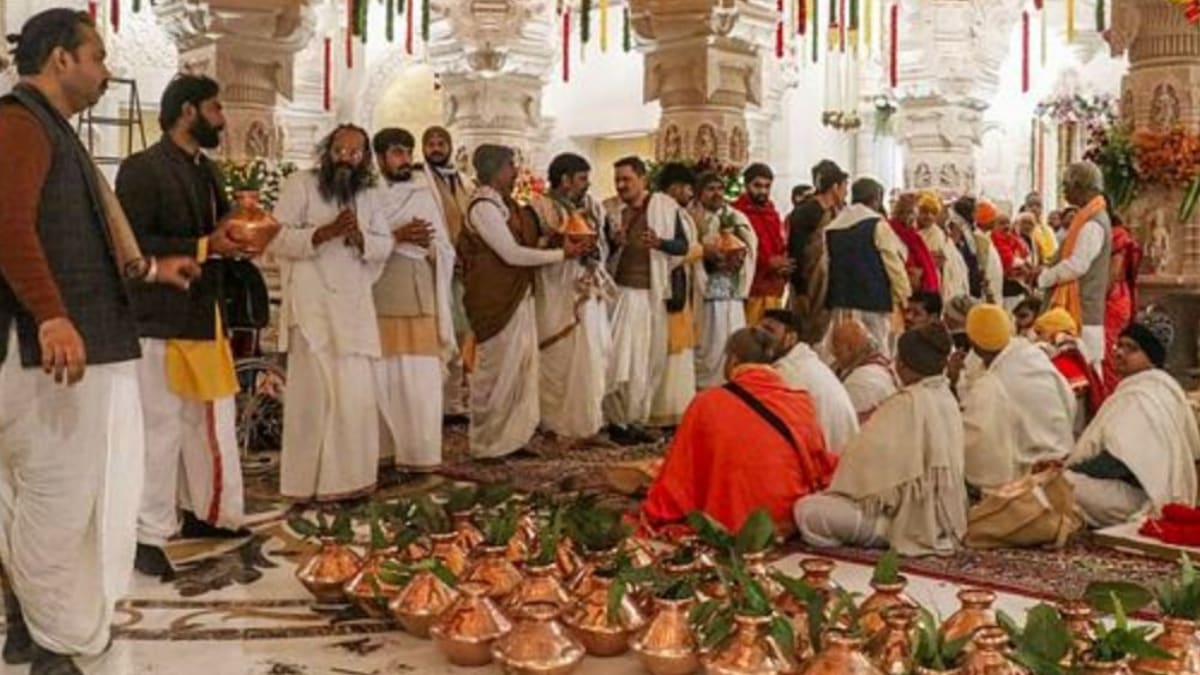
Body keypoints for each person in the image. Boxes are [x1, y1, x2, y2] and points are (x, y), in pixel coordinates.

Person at [0, 9, 200, 671]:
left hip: (62, 344)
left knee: (48, 498)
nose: (106, 71)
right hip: (45, 350)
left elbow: (79, 230)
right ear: (61, 59)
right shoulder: (20, 125)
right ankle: (55, 644)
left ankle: (32, 624)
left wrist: (149, 268)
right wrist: (53, 315)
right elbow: (8, 226)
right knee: (59, 500)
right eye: (97, 56)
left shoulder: (50, 128)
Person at [116, 74, 249, 581]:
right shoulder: (141, 169)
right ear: (189, 111)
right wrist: (204, 246)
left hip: (203, 313)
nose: (222, 118)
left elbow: (215, 235)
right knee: (159, 429)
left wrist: (237, 237)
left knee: (203, 421)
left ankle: (204, 511)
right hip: (158, 317)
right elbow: (130, 244)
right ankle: (144, 535)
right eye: (216, 109)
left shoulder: (207, 170)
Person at [270, 124, 393, 501]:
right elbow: (274, 236)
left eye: (355, 153)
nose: (346, 158)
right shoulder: (301, 184)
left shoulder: (370, 194)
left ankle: (349, 482)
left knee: (354, 396)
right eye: (340, 150)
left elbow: (385, 242)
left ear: (365, 158)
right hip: (312, 309)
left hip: (353, 309)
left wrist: (360, 238)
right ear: (328, 150)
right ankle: (305, 485)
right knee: (313, 399)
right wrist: (323, 233)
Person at [793, 323, 968, 556]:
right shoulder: (947, 397)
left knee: (807, 510)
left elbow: (860, 471)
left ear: (902, 365)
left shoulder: (906, 403)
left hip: (902, 526)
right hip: (950, 520)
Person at [643, 328, 837, 535]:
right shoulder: (800, 400)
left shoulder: (707, 402)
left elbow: (680, 477)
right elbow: (818, 465)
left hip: (731, 520)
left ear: (733, 360)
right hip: (788, 517)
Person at [460, 145, 589, 458]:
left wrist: (559, 241)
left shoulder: (509, 205)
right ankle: (487, 444)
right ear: (494, 169)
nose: (515, 172)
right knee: (496, 370)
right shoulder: (483, 207)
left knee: (520, 367)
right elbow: (510, 253)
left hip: (518, 293)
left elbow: (527, 243)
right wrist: (562, 254)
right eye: (510, 167)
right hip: (494, 298)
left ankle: (513, 439)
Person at [369, 127, 455, 471]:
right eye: (396, 153)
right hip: (378, 293)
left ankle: (420, 455)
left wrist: (429, 245)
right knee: (382, 378)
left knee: (420, 381)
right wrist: (396, 236)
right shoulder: (366, 195)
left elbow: (444, 245)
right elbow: (358, 240)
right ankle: (383, 453)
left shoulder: (422, 194)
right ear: (379, 158)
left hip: (420, 294)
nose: (405, 159)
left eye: (407, 151)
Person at [1066, 315, 1200, 527]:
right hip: (1148, 493)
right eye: (1119, 345)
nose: (1119, 353)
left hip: (1144, 499)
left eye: (1132, 348)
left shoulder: (1142, 396)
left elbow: (1118, 463)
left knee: (1061, 486)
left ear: (1151, 357)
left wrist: (1073, 470)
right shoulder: (1161, 388)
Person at [603, 156, 690, 444]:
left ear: (643, 179)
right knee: (617, 360)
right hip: (617, 296)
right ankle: (616, 420)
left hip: (648, 297)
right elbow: (603, 253)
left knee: (642, 362)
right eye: (617, 180)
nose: (620, 185)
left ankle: (635, 420)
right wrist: (613, 241)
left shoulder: (665, 207)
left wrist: (660, 243)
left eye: (626, 179)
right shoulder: (611, 210)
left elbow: (683, 245)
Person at [527, 153, 613, 439]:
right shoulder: (539, 207)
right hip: (555, 287)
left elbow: (602, 245)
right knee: (558, 354)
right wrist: (560, 243)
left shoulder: (591, 207)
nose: (587, 185)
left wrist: (593, 250)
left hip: (586, 287)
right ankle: (553, 422)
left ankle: (586, 421)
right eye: (582, 179)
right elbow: (529, 247)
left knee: (591, 351)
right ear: (564, 180)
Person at [959, 304, 1076, 491]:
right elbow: (1069, 401)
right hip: (1063, 457)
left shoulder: (991, 385)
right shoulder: (1033, 356)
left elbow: (978, 449)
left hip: (1027, 479)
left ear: (974, 345)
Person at [821, 177, 911, 356]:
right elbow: (892, 262)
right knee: (875, 352)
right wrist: (904, 294)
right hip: (872, 301)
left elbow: (826, 265)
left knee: (842, 351)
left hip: (841, 301)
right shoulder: (876, 224)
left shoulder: (833, 227)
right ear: (876, 199)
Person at [420, 126, 474, 421]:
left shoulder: (462, 181)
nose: (437, 148)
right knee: (439, 333)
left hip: (462, 269)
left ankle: (454, 401)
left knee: (462, 332)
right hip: (434, 267)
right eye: (431, 144)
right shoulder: (419, 182)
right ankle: (437, 401)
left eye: (442, 143)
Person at [1038, 161, 1111, 370]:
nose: (1064, 191)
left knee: (1083, 375)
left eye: (1066, 186)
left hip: (1082, 314)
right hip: (1081, 314)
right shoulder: (1088, 217)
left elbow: (1076, 266)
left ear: (1080, 187)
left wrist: (1043, 277)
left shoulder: (1093, 222)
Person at [650, 163, 705, 426]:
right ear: (674, 187)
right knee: (669, 351)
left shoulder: (679, 212)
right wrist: (697, 251)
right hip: (669, 287)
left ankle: (679, 410)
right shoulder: (662, 209)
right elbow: (664, 254)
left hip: (683, 288)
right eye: (687, 188)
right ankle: (662, 411)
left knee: (681, 352)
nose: (690, 194)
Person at [691, 171, 757, 388]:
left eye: (719, 188)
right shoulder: (691, 217)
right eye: (710, 189)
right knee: (711, 342)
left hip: (732, 287)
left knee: (732, 334)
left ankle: (730, 382)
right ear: (700, 193)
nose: (716, 193)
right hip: (705, 289)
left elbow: (750, 245)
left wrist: (738, 254)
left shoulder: (737, 217)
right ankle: (706, 386)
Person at [761, 310, 859, 452]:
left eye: (769, 331)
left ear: (791, 338)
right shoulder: (806, 363)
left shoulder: (789, 373)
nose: (761, 337)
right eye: (758, 330)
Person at [789, 159, 849, 344]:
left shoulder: (837, 212)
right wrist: (801, 291)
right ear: (835, 186)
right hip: (811, 285)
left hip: (831, 286)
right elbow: (796, 252)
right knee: (808, 334)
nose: (846, 192)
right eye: (845, 187)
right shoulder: (808, 212)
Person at [1033, 307, 1107, 432]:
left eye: (1040, 333)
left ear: (1053, 332)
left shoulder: (1064, 358)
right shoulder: (1077, 352)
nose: (1037, 338)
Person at [733, 163, 790, 325]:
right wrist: (767, 263)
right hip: (751, 289)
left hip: (774, 288)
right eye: (757, 185)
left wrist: (784, 263)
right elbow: (737, 250)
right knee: (752, 340)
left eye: (767, 186)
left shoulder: (772, 212)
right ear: (746, 185)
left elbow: (780, 243)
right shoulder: (737, 213)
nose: (763, 191)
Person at [829, 318, 899, 422]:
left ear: (850, 348)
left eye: (838, 351)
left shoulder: (860, 381)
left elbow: (844, 422)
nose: (834, 354)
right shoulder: (879, 365)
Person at [1103, 211, 1142, 391]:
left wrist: (1100, 295)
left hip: (1114, 297)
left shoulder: (1117, 237)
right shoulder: (1122, 235)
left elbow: (1115, 269)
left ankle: (1112, 392)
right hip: (1122, 295)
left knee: (1110, 347)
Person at [889, 192, 940, 295]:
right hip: (903, 290)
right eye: (924, 212)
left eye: (913, 212)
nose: (929, 216)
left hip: (920, 289)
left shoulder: (914, 235)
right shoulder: (890, 231)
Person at [991, 212, 1033, 311]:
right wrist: (1022, 265)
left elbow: (1024, 255)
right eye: (1001, 223)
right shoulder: (994, 239)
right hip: (1006, 289)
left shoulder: (1014, 239)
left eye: (1007, 223)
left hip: (1018, 287)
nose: (1006, 226)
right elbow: (1008, 259)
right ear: (993, 225)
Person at [972, 200, 1006, 305]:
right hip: (985, 298)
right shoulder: (978, 239)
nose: (994, 220)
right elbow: (982, 272)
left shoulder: (986, 238)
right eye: (992, 217)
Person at [1023, 191, 1059, 263]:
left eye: (1038, 205)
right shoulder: (1019, 228)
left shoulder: (1048, 230)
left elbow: (1055, 251)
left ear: (1042, 209)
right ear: (1025, 208)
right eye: (1030, 205)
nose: (1034, 208)